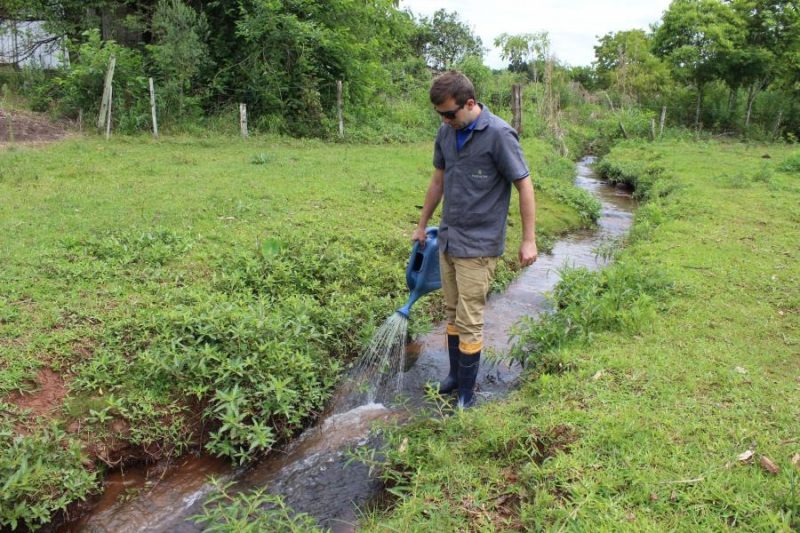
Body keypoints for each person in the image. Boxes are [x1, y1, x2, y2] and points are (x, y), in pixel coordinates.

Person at [412, 70, 537, 408]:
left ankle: (466, 396)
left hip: (479, 246)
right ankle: (454, 379)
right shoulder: (446, 132)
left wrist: (529, 239)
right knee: (452, 313)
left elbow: (524, 184)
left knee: (470, 320)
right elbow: (438, 180)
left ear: (469, 103)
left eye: (450, 113)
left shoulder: (499, 135)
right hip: (450, 238)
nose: (445, 120)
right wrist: (422, 224)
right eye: (440, 115)